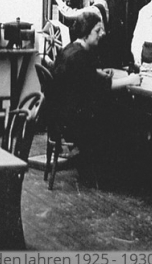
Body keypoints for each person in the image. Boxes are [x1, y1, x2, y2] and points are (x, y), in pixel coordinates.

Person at [52, 11, 141, 176]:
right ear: (85, 32)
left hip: (63, 116)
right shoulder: (80, 56)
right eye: (97, 30)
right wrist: (130, 80)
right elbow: (103, 87)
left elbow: (84, 77)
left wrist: (97, 73)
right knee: (127, 115)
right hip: (77, 121)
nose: (102, 33)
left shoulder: (70, 49)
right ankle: (122, 171)